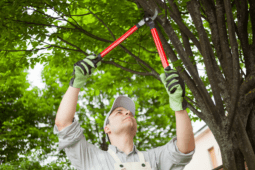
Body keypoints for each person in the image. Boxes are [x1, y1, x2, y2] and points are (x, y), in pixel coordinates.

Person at [54, 55, 195, 170]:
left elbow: (184, 149)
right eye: (119, 112)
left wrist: (179, 106)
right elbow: (63, 124)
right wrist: (76, 83)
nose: (127, 113)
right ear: (106, 128)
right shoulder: (90, 158)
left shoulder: (154, 158)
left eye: (130, 114)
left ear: (136, 128)